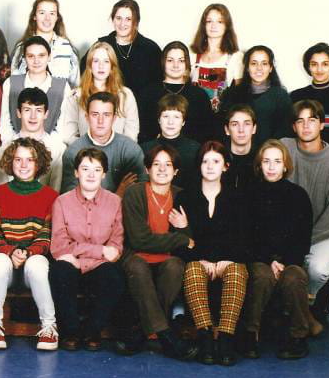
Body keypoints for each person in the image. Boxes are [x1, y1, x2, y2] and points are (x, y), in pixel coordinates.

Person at [116, 144, 198, 360]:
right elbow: (139, 240)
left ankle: (142, 332)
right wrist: (179, 238)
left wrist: (183, 229)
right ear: (147, 169)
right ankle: (166, 336)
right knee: (137, 266)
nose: (162, 169)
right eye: (156, 164)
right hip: (136, 256)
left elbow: (192, 241)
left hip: (167, 259)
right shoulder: (135, 193)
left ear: (176, 171)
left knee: (175, 266)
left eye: (168, 165)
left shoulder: (182, 196)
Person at [280, 100, 329, 323]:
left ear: (322, 125)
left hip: (327, 234)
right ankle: (299, 316)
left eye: (312, 120)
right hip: (289, 234)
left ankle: (303, 305)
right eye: (300, 121)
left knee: (317, 268)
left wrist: (302, 242)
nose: (306, 126)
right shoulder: (284, 148)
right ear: (293, 126)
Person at [243, 139, 315, 360]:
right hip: (258, 258)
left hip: (289, 259)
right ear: (259, 165)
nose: (271, 167)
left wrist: (284, 262)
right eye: (266, 161)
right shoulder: (249, 194)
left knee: (294, 277)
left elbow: (302, 238)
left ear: (285, 166)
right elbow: (246, 237)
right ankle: (250, 335)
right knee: (262, 276)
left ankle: (298, 336)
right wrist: (269, 260)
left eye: (277, 161)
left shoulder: (298, 195)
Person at [0, 138, 59, 351]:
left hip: (32, 265)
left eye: (30, 160)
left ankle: (49, 326)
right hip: (7, 265)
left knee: (37, 264)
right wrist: (11, 252)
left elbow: (46, 236)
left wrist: (27, 253)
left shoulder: (51, 197)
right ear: (10, 162)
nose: (23, 165)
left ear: (39, 164)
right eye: (18, 159)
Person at [181, 141, 249, 366]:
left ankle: (226, 338)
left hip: (230, 261)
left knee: (236, 272)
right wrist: (202, 258)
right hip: (199, 261)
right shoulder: (185, 198)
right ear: (199, 166)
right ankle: (206, 337)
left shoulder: (238, 198)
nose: (210, 166)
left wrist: (225, 259)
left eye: (216, 161)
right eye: (205, 161)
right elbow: (182, 243)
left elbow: (243, 239)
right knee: (193, 269)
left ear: (225, 166)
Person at [50, 148, 125, 351]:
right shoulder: (62, 202)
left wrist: (83, 256)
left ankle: (93, 331)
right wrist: (100, 252)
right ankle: (72, 332)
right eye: (85, 169)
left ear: (104, 174)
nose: (91, 175)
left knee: (114, 277)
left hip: (98, 265)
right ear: (76, 172)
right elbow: (59, 245)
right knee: (60, 271)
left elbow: (115, 246)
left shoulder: (115, 202)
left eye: (97, 169)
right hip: (72, 264)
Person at [81, 0, 162, 110]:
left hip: (143, 112)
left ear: (136, 21)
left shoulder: (150, 49)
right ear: (113, 19)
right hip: (106, 111)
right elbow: (85, 75)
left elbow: (158, 86)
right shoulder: (101, 46)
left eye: (128, 19)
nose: (122, 24)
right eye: (118, 18)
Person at [61, 92, 147, 194]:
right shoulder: (73, 152)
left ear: (114, 118)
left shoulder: (130, 150)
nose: (100, 121)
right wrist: (117, 196)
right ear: (87, 117)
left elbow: (141, 194)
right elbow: (71, 199)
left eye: (106, 115)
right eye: (95, 114)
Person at [63, 41, 139, 144]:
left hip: (118, 153)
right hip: (86, 152)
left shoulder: (126, 95)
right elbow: (68, 135)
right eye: (96, 61)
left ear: (112, 66)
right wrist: (89, 150)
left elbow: (131, 135)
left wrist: (116, 150)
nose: (101, 66)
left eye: (106, 61)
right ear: (90, 66)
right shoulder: (75, 96)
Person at [0, 88, 65, 191]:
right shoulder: (3, 151)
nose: (33, 116)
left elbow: (56, 191)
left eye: (38, 110)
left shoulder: (58, 149)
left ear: (46, 114)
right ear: (18, 113)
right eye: (27, 110)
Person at [0, 35, 70, 144]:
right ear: (24, 58)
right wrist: (16, 146)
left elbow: (62, 129)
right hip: (15, 145)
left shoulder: (63, 87)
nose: (36, 61)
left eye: (41, 55)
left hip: (51, 147)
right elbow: (5, 124)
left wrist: (45, 148)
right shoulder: (10, 83)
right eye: (31, 56)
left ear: (49, 57)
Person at [218, 45, 292, 148]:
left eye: (264, 63)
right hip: (238, 152)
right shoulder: (232, 94)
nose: (259, 68)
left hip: (269, 153)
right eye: (254, 63)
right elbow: (224, 128)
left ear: (271, 68)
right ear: (247, 68)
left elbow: (285, 131)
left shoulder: (280, 96)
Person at [140, 41, 212, 144]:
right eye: (170, 60)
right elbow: (143, 130)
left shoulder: (199, 95)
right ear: (163, 62)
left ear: (187, 63)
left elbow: (206, 132)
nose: (175, 65)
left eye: (181, 61)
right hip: (155, 150)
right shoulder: (148, 93)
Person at [10, 0, 79, 87]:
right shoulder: (21, 47)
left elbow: (75, 86)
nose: (47, 18)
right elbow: (13, 85)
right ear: (34, 16)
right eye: (42, 13)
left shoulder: (67, 48)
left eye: (52, 13)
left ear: (57, 17)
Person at [190, 3, 243, 113]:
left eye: (219, 21)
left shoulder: (235, 56)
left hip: (221, 118)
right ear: (203, 25)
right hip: (195, 117)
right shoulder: (193, 55)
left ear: (227, 26)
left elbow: (240, 95)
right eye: (209, 21)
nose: (213, 26)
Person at [140, 94, 200, 189]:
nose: (170, 122)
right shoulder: (145, 149)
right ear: (159, 120)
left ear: (183, 121)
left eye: (176, 117)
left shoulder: (196, 149)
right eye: (166, 116)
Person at [221, 104, 259, 192]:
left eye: (247, 124)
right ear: (227, 130)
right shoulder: (218, 159)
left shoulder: (262, 160)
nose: (241, 130)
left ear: (254, 128)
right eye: (235, 124)